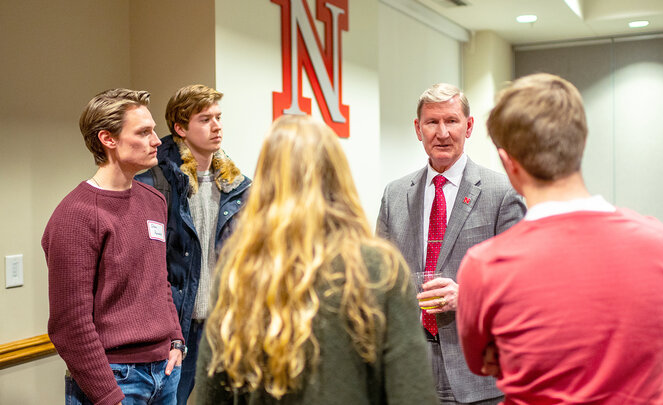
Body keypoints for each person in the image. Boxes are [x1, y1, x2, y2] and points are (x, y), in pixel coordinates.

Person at [456, 73, 663, 404]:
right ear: (582, 144)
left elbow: (479, 363)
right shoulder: (658, 240)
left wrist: (508, 352)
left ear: (508, 162)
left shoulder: (486, 265)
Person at [194, 115, 439, 405]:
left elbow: (212, 393)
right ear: (338, 176)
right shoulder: (378, 268)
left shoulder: (239, 270)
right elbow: (411, 394)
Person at [376, 83, 526, 405]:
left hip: (477, 373)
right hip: (410, 367)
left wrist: (467, 296)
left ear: (468, 126)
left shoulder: (502, 193)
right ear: (418, 129)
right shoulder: (394, 195)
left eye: (451, 121)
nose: (442, 133)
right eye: (432, 122)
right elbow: (378, 279)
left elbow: (521, 284)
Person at [43, 89, 184, 405]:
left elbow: (158, 282)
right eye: (143, 132)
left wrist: (176, 339)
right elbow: (70, 324)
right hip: (115, 379)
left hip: (165, 371)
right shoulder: (76, 215)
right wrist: (108, 395)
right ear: (108, 139)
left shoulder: (154, 201)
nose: (157, 140)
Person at [135, 84, 251, 404]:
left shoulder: (237, 186)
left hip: (226, 324)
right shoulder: (156, 182)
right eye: (205, 119)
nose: (216, 126)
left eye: (218, 117)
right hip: (177, 328)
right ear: (180, 128)